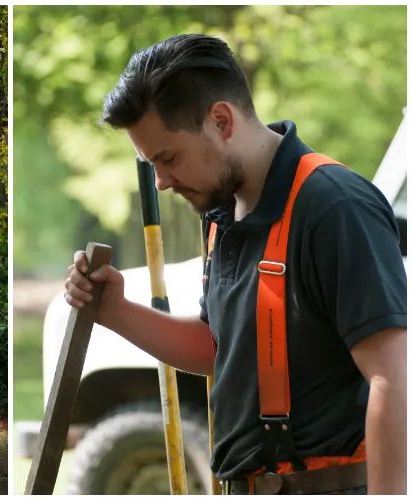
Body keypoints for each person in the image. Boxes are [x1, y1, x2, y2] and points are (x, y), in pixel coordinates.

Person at [64, 34, 405, 494]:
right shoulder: (222, 215)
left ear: (221, 120)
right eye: (150, 165)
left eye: (167, 158)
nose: (162, 182)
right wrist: (115, 312)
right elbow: (220, 347)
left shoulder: (334, 208)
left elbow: (394, 378)